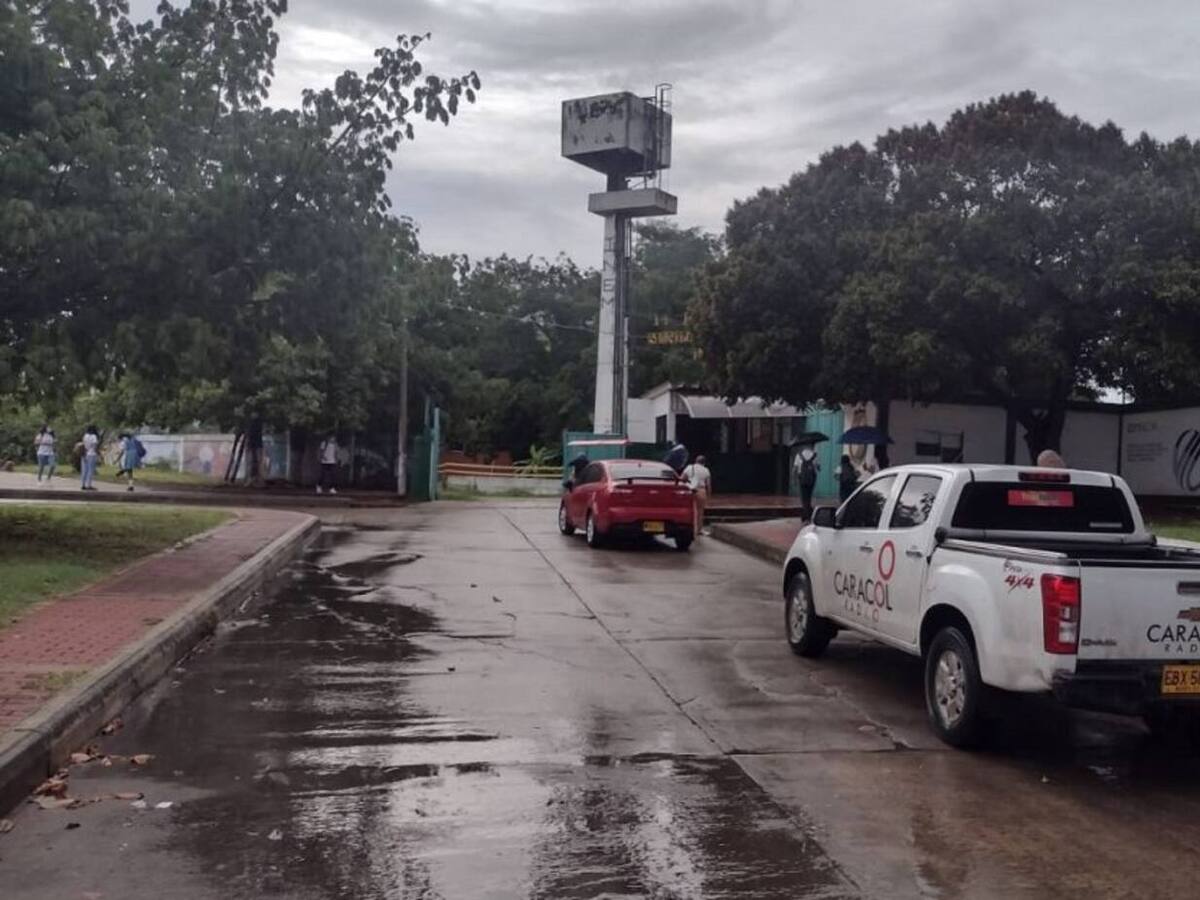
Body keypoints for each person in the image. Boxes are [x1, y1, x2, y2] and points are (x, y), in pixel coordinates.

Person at [682, 454, 713, 536]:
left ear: (696, 461)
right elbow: (708, 484)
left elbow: (682, 479)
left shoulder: (689, 467)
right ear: (704, 463)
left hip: (690, 490)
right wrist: (709, 495)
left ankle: (690, 528)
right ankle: (699, 529)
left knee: (690, 510)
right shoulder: (706, 470)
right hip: (701, 490)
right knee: (700, 511)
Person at [794, 444, 820, 514]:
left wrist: (794, 479)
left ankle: (805, 512)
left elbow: (795, 468)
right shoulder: (815, 455)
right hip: (811, 477)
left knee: (803, 496)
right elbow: (818, 467)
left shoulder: (799, 455)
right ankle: (808, 511)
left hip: (801, 477)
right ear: (812, 446)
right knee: (809, 495)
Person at [80, 425, 100, 491]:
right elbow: (95, 446)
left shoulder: (85, 436)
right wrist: (98, 454)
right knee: (90, 470)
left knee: (84, 470)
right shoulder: (94, 436)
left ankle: (83, 485)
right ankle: (89, 485)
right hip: (92, 454)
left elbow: (83, 445)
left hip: (85, 454)